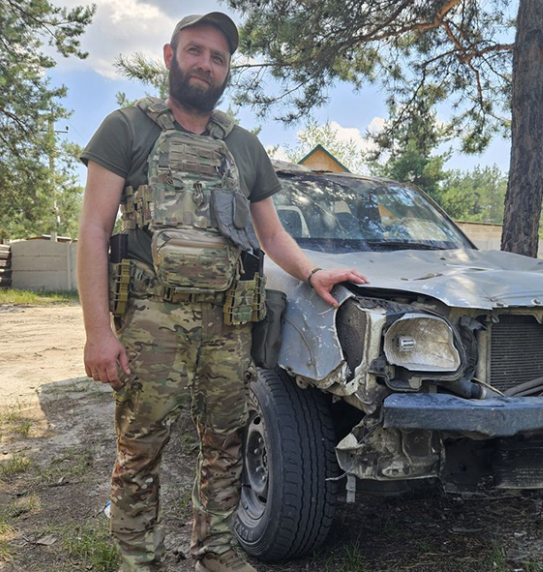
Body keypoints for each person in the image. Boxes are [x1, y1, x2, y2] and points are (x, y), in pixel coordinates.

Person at [76, 12, 367, 572]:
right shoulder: (126, 128)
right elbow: (93, 229)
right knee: (141, 447)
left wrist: (311, 272)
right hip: (151, 319)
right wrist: (97, 331)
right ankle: (138, 559)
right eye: (195, 51)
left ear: (227, 69)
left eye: (218, 57)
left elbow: (271, 234)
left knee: (226, 444)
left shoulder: (243, 145)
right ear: (170, 56)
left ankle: (215, 551)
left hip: (227, 323)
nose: (205, 64)